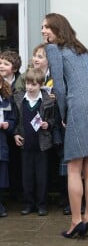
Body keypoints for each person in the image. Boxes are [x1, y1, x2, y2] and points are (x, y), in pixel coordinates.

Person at [43, 13, 88, 238]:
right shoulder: (82, 50)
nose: (43, 31)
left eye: (47, 27)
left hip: (78, 108)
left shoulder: (53, 50)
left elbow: (59, 87)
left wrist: (63, 114)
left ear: (57, 29)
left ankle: (75, 221)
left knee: (73, 167)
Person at [14, 68, 55, 217]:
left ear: (41, 85)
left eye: (34, 85)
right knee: (27, 176)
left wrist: (47, 124)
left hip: (42, 144)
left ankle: (42, 204)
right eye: (27, 84)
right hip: (26, 144)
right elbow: (16, 120)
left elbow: (53, 120)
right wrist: (16, 134)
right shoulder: (19, 99)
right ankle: (28, 203)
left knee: (42, 176)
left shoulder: (47, 100)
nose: (30, 87)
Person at [0, 50, 22, 201]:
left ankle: (16, 192)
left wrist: (13, 128)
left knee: (15, 162)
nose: (1, 66)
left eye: (5, 64)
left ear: (14, 69)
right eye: (0, 62)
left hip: (15, 128)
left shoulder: (20, 83)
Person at [0, 74, 17, 217]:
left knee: (1, 176)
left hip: (1, 144)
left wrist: (8, 125)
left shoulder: (6, 101)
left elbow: (13, 119)